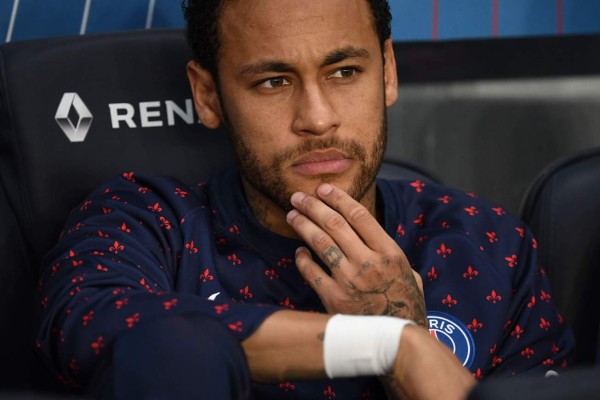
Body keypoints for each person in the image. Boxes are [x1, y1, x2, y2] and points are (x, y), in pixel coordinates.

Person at [35, 0, 573, 398]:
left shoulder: (485, 242)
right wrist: (391, 344)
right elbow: (96, 327)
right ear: (207, 95)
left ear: (386, 72)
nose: (317, 118)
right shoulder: (146, 221)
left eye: (344, 72)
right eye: (273, 81)